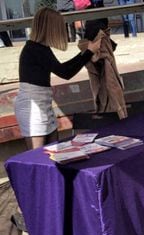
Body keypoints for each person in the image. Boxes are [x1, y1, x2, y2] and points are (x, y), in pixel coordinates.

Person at [14, 7, 101, 150]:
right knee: (38, 158)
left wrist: (86, 53)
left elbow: (62, 69)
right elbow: (65, 72)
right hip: (33, 107)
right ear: (50, 28)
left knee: (54, 152)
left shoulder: (40, 48)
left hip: (43, 103)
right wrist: (88, 52)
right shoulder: (34, 49)